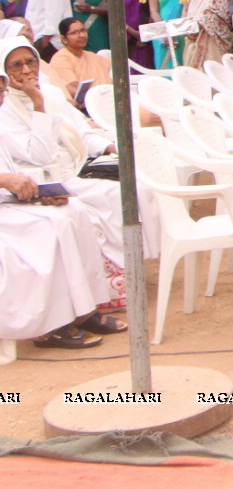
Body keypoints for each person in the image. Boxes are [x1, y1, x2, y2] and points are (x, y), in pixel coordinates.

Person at [0, 35, 154, 310]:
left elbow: (79, 133)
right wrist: (37, 106)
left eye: (30, 62)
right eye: (15, 66)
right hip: (46, 178)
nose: (25, 71)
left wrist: (106, 146)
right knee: (101, 205)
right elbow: (41, 155)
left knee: (133, 190)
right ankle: (108, 284)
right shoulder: (6, 107)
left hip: (76, 168)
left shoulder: (52, 94)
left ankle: (127, 274)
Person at [0, 71, 127, 351]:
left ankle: (84, 310)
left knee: (74, 212)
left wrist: (36, 193)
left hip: (8, 205)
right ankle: (49, 328)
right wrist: (6, 181)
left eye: (1, 92)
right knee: (49, 230)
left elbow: (29, 162)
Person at [48, 18, 111, 108]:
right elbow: (73, 88)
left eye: (83, 30)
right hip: (87, 106)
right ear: (64, 39)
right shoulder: (61, 58)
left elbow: (110, 73)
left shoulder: (92, 56)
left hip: (107, 101)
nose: (81, 35)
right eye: (75, 33)